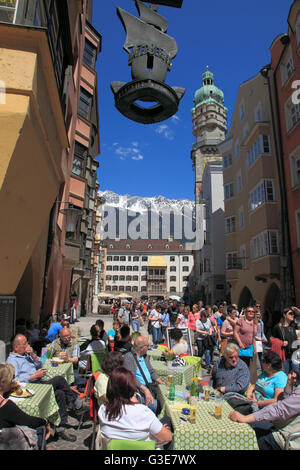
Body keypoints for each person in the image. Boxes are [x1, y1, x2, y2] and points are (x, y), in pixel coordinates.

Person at [6, 334, 81, 442]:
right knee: (59, 379)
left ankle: (60, 428)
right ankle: (76, 403)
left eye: (27, 342)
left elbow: (41, 364)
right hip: (31, 387)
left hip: (39, 382)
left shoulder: (26, 355)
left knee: (59, 394)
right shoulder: (12, 360)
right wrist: (33, 376)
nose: (27, 345)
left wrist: (33, 355)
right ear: (16, 347)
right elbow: (15, 380)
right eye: (24, 344)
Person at [228, 356, 300, 450]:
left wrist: (245, 418)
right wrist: (289, 384)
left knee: (245, 436)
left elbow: (279, 409)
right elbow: (286, 400)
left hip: (287, 437)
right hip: (279, 425)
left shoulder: (280, 377)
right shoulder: (266, 374)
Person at [97, 367, 172, 449]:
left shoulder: (103, 410)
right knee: (167, 420)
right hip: (145, 446)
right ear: (131, 387)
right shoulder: (142, 412)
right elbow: (168, 437)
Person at [0, 364, 51, 450]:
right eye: (11, 379)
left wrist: (6, 391)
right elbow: (31, 422)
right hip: (9, 443)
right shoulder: (6, 406)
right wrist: (46, 421)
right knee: (39, 429)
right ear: (4, 383)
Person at [123, 336, 163, 415]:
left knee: (163, 400)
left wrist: (160, 381)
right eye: (147, 346)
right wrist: (145, 389)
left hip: (150, 387)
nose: (148, 348)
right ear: (141, 348)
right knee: (158, 406)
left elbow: (151, 371)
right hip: (139, 392)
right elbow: (131, 378)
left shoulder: (144, 356)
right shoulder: (129, 357)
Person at [234, 306, 259, 384]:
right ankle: (240, 383)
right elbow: (235, 332)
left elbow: (255, 335)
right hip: (242, 348)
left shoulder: (256, 322)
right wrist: (240, 343)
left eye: (253, 311)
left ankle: (251, 384)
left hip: (252, 348)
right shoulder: (241, 321)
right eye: (249, 311)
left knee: (252, 368)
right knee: (241, 366)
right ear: (245, 312)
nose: (251, 313)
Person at [271, 308, 298, 375]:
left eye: (293, 314)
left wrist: (298, 311)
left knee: (294, 377)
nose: (292, 315)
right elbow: (271, 339)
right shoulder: (278, 327)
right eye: (290, 313)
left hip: (294, 355)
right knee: (285, 375)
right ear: (284, 315)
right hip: (284, 356)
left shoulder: (293, 326)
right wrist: (281, 343)